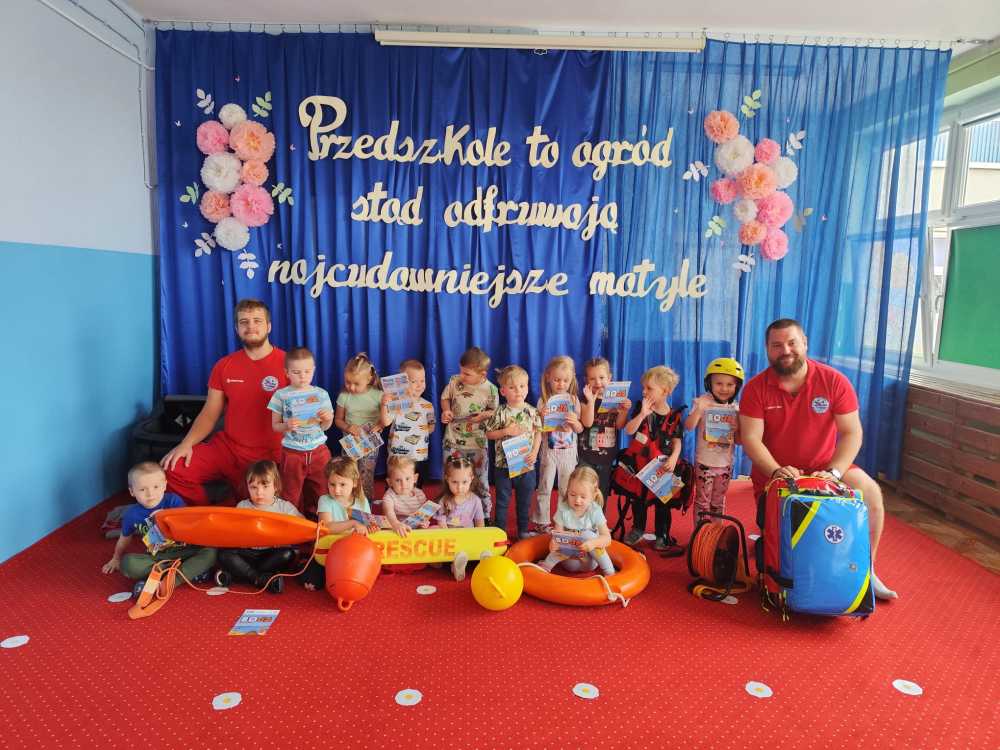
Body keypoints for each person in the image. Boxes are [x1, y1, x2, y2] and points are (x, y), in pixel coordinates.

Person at [739, 318, 897, 600]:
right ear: (767, 349)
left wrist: (834, 472)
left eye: (792, 343)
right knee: (790, 541)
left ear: (805, 344)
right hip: (777, 475)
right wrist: (776, 470)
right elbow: (751, 438)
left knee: (871, 492)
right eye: (777, 345)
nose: (785, 350)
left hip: (825, 467)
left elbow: (852, 433)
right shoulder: (755, 388)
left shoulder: (833, 381)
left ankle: (866, 569)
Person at [161, 299, 288, 505]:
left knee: (267, 502)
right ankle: (208, 513)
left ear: (269, 326)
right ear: (237, 329)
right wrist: (186, 444)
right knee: (172, 468)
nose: (251, 326)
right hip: (229, 449)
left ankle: (233, 500)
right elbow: (209, 414)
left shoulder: (289, 364)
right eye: (244, 322)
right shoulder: (224, 365)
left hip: (271, 455)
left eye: (257, 321)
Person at [101, 462, 216, 598]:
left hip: (186, 549)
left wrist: (167, 517)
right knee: (128, 564)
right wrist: (116, 558)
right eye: (142, 489)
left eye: (156, 487)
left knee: (211, 552)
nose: (150, 494)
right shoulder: (131, 514)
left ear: (164, 485)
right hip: (159, 556)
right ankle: (186, 571)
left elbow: (189, 525)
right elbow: (124, 539)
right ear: (132, 492)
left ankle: (170, 581)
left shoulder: (173, 501)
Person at [617, 366, 685, 556]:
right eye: (643, 387)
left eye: (649, 388)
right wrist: (642, 415)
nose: (644, 391)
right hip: (640, 465)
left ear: (665, 391)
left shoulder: (674, 415)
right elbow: (629, 430)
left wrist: (674, 457)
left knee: (664, 504)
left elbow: (677, 441)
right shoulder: (641, 408)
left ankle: (662, 534)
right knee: (638, 500)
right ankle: (637, 528)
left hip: (663, 466)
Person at [216, 461, 302, 593]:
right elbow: (233, 532)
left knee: (287, 554)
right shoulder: (242, 506)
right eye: (254, 487)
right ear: (248, 487)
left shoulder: (285, 507)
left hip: (270, 554)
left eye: (265, 486)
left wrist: (283, 537)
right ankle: (260, 578)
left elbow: (302, 525)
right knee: (224, 554)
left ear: (275, 486)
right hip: (247, 553)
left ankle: (243, 575)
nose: (259, 493)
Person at [268, 347, 333, 515]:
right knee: (290, 494)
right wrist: (286, 425)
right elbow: (275, 426)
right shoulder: (280, 395)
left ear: (314, 370)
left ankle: (322, 524)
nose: (302, 376)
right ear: (287, 372)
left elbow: (325, 427)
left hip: (319, 452)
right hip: (292, 453)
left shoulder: (321, 394)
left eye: (307, 371)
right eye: (296, 372)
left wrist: (327, 419)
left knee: (323, 492)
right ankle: (293, 526)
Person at [484, 365, 542, 540]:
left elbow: (538, 433)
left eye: (522, 386)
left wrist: (534, 452)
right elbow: (488, 434)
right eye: (512, 387)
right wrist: (505, 431)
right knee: (502, 501)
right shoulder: (500, 412)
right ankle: (500, 533)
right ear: (503, 391)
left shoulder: (532, 411)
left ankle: (523, 531)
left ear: (528, 388)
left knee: (525, 501)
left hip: (526, 465)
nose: (518, 391)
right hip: (503, 466)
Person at [440, 346, 499, 515]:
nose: (462, 376)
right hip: (452, 440)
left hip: (477, 443)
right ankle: (448, 513)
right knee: (451, 478)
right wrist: (446, 410)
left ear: (482, 375)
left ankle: (484, 515)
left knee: (480, 480)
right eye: (461, 371)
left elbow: (495, 412)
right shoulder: (455, 381)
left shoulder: (491, 389)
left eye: (467, 374)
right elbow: (445, 398)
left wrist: (483, 415)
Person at [301, 457, 374, 591]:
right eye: (332, 484)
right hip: (328, 551)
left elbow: (367, 526)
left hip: (353, 553)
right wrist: (352, 523)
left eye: (342, 485)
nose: (337, 490)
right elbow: (327, 527)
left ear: (354, 483)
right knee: (312, 584)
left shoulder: (362, 501)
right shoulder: (325, 500)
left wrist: (370, 528)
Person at [684, 358, 743, 520]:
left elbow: (739, 441)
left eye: (730, 384)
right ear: (709, 383)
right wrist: (699, 409)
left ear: (737, 386)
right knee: (702, 502)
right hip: (704, 462)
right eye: (719, 383)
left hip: (725, 464)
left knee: (718, 502)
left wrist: (737, 427)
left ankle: (716, 532)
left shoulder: (735, 408)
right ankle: (701, 533)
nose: (724, 388)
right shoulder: (702, 402)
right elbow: (688, 426)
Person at [530, 356, 583, 534]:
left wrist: (574, 422)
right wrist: (542, 416)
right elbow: (539, 428)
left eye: (565, 380)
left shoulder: (574, 400)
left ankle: (563, 522)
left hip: (568, 454)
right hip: (549, 452)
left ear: (572, 379)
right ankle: (542, 521)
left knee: (566, 489)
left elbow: (579, 429)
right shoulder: (543, 401)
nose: (561, 384)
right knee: (544, 486)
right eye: (557, 380)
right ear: (548, 377)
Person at [539, 466, 615, 576]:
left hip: (590, 561)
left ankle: (609, 571)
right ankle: (546, 566)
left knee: (587, 534)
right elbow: (557, 535)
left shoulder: (595, 510)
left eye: (583, 497)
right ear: (568, 491)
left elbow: (607, 539)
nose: (577, 500)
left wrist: (592, 543)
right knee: (562, 539)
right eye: (572, 495)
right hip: (570, 562)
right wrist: (553, 544)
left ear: (593, 496)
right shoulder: (563, 509)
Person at [579, 357, 631, 500]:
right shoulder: (583, 399)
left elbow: (619, 425)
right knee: (583, 492)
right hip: (585, 455)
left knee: (601, 494)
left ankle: (600, 516)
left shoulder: (617, 399)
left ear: (609, 378)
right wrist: (591, 401)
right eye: (592, 379)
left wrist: (624, 411)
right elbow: (587, 423)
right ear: (586, 380)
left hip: (607, 456)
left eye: (602, 378)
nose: (598, 382)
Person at [334, 353, 385, 499]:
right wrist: (348, 427)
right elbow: (338, 420)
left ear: (369, 379)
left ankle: (366, 502)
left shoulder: (378, 395)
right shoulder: (344, 396)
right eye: (347, 382)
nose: (351, 387)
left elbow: (386, 418)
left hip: (370, 442)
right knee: (348, 473)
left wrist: (380, 425)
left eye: (356, 384)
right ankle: (347, 500)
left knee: (366, 474)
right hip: (350, 442)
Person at [381, 359, 436, 486]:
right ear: (402, 382)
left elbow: (431, 427)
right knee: (395, 487)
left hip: (418, 456)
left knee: (416, 488)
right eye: (414, 381)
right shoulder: (397, 402)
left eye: (422, 380)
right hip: (397, 457)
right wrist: (384, 405)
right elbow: (386, 422)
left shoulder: (428, 405)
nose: (419, 385)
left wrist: (420, 432)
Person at [432, 456, 487, 581]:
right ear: (447, 479)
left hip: (468, 537)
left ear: (471, 479)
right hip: (450, 539)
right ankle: (457, 565)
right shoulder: (444, 501)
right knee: (434, 531)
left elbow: (480, 525)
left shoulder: (475, 500)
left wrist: (480, 540)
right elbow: (442, 526)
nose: (459, 487)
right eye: (455, 482)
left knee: (480, 544)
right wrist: (452, 540)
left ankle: (482, 560)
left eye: (464, 482)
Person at [382, 456, 430, 536]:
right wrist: (396, 524)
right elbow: (388, 512)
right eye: (398, 480)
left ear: (415, 478)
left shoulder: (420, 494)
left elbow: (424, 515)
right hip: (396, 532)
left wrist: (424, 523)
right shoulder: (389, 496)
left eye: (407, 479)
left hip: (415, 532)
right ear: (390, 482)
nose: (403, 484)